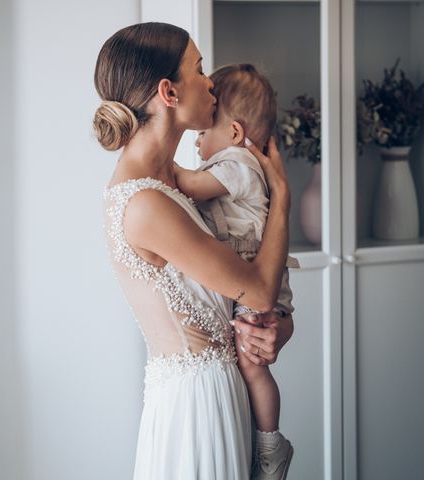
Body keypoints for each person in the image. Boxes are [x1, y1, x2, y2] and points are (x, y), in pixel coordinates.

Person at [94, 22, 293, 479]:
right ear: (169, 92)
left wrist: (277, 328)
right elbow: (260, 290)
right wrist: (280, 196)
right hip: (197, 406)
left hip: (227, 390)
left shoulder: (178, 184)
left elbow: (243, 296)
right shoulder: (144, 204)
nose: (211, 84)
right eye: (200, 69)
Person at [175, 63, 297, 479]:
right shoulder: (238, 163)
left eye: (205, 132)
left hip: (258, 279)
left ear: (235, 134)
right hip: (256, 276)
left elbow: (190, 186)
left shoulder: (237, 164)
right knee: (251, 365)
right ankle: (264, 439)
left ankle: (270, 444)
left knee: (252, 365)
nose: (196, 141)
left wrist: (158, 169)